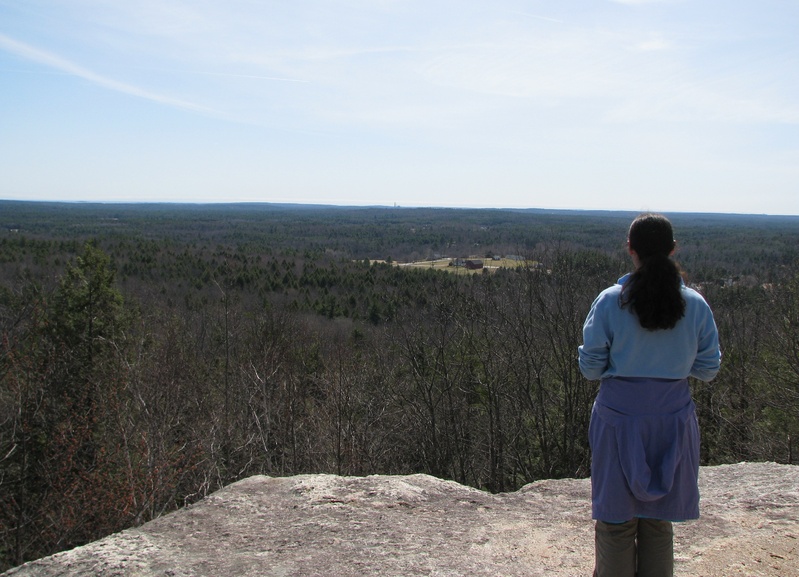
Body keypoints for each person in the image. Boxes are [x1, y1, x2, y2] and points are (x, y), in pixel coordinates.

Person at [578, 213, 721, 577]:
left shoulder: (611, 301)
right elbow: (707, 370)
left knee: (615, 520)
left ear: (631, 250)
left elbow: (591, 368)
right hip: (673, 419)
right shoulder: (696, 305)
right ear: (673, 250)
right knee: (659, 521)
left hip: (617, 420)